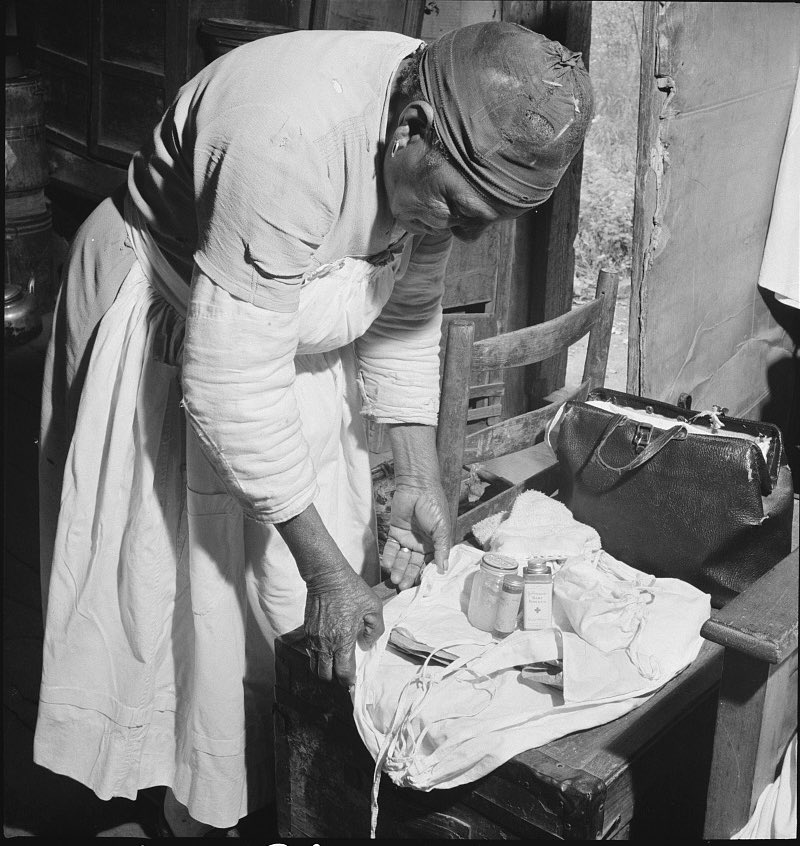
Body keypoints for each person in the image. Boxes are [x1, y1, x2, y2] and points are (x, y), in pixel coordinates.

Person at [34, 20, 593, 837]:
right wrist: (335, 576)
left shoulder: (444, 113)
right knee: (174, 585)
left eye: (483, 222)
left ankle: (253, 782)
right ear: (411, 130)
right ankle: (181, 794)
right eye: (459, 209)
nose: (463, 234)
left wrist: (417, 476)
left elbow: (404, 312)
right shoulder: (287, 137)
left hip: (283, 332)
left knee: (278, 595)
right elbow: (229, 385)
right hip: (171, 310)